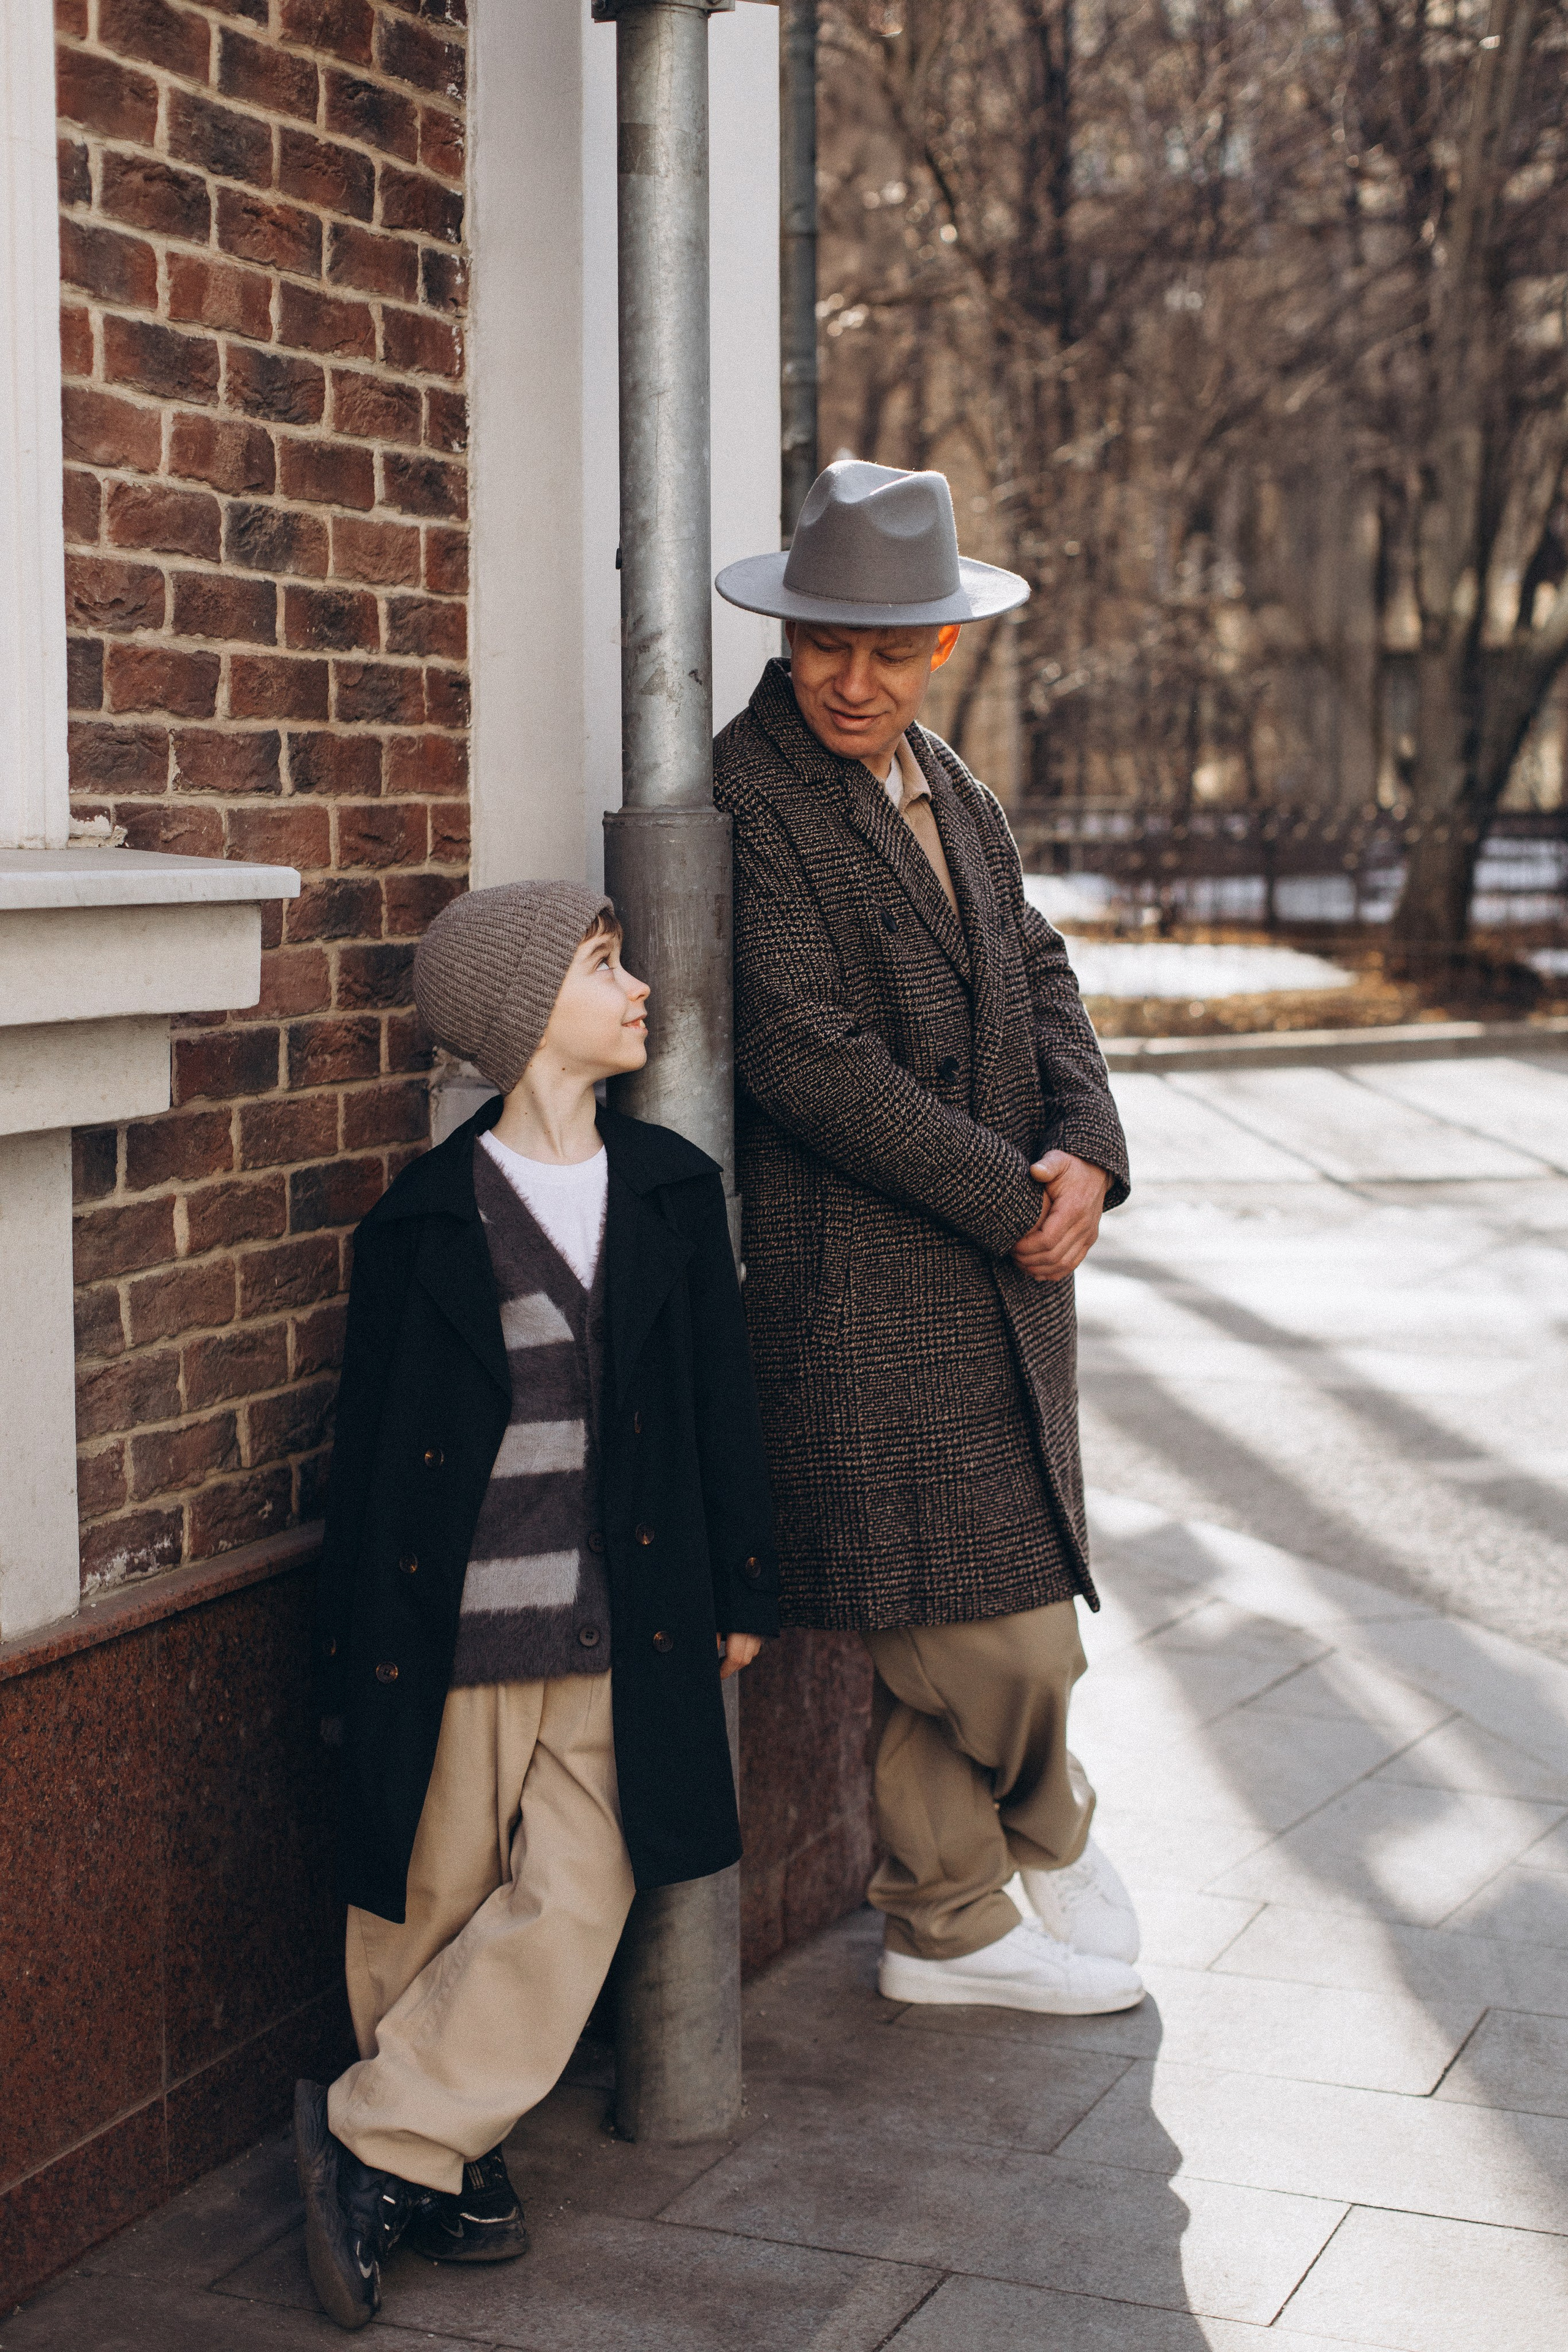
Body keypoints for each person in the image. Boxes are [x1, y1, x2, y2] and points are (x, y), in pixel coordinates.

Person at [294, 881, 778, 2331]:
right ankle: (454, 2154)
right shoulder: (423, 1223)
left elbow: (718, 1411)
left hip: (616, 1625)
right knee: (429, 1906)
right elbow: (372, 1456)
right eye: (601, 964)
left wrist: (739, 1579)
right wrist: (350, 1647)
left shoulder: (673, 1190)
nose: (637, 988)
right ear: (518, 1016)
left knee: (580, 1894)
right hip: (447, 1635)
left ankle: (372, 2136)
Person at [712, 458, 1142, 2017]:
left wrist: (1089, 1151)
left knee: (939, 1613)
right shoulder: (743, 795)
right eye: (827, 641)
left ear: (941, 647)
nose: (852, 677)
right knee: (999, 1639)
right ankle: (1056, 1826)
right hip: (863, 1294)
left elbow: (1036, 971)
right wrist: (1013, 1199)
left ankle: (944, 1927)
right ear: (786, 633)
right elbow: (806, 1057)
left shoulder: (948, 778)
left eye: (889, 649)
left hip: (990, 1282)